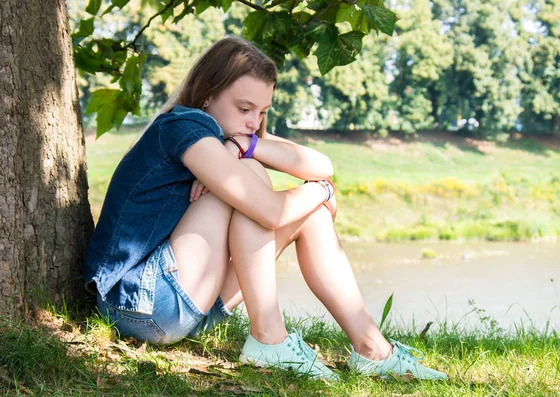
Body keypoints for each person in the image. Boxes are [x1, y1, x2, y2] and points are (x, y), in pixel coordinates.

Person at [84, 36, 447, 381]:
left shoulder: (232, 137)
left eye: (262, 111)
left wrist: (248, 147)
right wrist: (320, 190)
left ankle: (372, 349)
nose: (254, 122)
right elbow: (273, 211)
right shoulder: (184, 127)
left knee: (309, 213)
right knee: (256, 180)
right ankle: (269, 339)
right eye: (245, 108)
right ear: (208, 95)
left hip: (186, 308)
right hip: (138, 304)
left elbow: (322, 164)